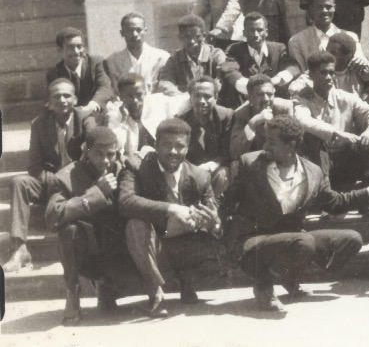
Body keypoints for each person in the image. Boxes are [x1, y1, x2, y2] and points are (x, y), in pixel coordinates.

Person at [220, 116, 369, 314]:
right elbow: (227, 201)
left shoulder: (313, 172)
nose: (265, 145)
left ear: (291, 145)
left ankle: (287, 276)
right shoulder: (251, 163)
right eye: (266, 139)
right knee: (303, 242)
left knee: (351, 239)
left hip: (292, 239)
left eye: (272, 141)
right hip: (253, 243)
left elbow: (335, 203)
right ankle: (264, 285)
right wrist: (222, 231)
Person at [119, 118, 223, 316]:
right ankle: (155, 291)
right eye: (167, 145)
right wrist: (171, 208)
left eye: (179, 146)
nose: (173, 151)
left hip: (186, 245)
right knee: (135, 224)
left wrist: (213, 224)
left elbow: (214, 218)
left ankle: (187, 281)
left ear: (187, 147)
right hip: (152, 246)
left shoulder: (200, 176)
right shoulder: (136, 166)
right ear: (155, 145)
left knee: (218, 239)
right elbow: (126, 202)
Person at [46, 126, 136, 323]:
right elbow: (53, 216)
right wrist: (96, 193)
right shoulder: (66, 176)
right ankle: (72, 293)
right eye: (98, 154)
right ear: (86, 151)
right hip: (87, 249)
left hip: (117, 248)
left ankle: (107, 287)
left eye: (110, 154)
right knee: (68, 232)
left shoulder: (124, 170)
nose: (105, 160)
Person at [5, 79, 86, 273]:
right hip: (49, 184)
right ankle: (20, 249)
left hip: (77, 185)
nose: (62, 100)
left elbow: (89, 161)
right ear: (48, 102)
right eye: (56, 96)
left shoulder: (84, 121)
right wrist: (55, 181)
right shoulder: (39, 124)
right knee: (19, 182)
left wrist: (66, 181)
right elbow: (34, 166)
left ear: (75, 99)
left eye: (67, 95)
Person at [293, 50, 369, 190]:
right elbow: (303, 120)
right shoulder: (303, 100)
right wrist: (336, 133)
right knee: (314, 137)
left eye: (332, 72)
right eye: (323, 73)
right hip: (320, 162)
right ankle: (325, 193)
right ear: (311, 75)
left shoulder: (345, 97)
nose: (329, 77)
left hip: (346, 159)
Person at [220, 11, 298, 106]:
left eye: (260, 30)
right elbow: (230, 71)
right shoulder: (235, 50)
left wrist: (278, 79)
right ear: (244, 33)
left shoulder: (278, 48)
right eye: (251, 30)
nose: (256, 35)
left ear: (266, 32)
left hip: (275, 103)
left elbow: (293, 67)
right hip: (247, 104)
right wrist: (252, 86)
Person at [288, 0, 369, 75]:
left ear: (334, 8)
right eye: (319, 7)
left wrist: (362, 60)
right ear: (311, 9)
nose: (324, 11)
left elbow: (361, 64)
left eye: (328, 6)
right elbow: (300, 72)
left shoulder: (350, 37)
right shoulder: (297, 42)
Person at [179, 77, 234, 200]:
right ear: (190, 97)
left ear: (215, 97)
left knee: (223, 174)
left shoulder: (226, 116)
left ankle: (219, 212)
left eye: (207, 96)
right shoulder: (182, 121)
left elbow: (227, 151)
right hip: (191, 172)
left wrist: (212, 165)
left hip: (216, 170)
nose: (201, 101)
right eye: (197, 96)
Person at [46, 27, 113, 120]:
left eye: (79, 46)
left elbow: (105, 87)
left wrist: (92, 105)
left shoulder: (96, 62)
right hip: (71, 117)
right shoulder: (55, 73)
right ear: (60, 50)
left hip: (96, 113)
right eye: (70, 47)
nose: (76, 51)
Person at [290, 32, 369, 100]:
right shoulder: (321, 69)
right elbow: (294, 86)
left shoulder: (357, 69)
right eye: (327, 49)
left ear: (347, 57)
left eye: (333, 52)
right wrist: (302, 90)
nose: (327, 54)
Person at [157, 14, 228, 96]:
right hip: (186, 103)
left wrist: (206, 94)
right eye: (187, 37)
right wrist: (185, 98)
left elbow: (223, 77)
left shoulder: (216, 54)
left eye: (197, 37)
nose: (192, 41)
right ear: (180, 38)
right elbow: (165, 83)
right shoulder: (174, 60)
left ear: (204, 36)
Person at [103, 11, 171, 96]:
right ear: (122, 33)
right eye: (129, 30)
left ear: (145, 31)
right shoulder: (113, 61)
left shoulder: (162, 58)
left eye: (138, 30)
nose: (134, 34)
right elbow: (115, 93)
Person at [230, 75, 294, 160]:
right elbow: (234, 153)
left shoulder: (284, 108)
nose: (266, 99)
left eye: (270, 94)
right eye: (260, 95)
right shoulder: (241, 113)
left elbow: (290, 144)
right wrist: (252, 124)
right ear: (249, 97)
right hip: (255, 162)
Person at [101, 73, 155, 162]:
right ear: (121, 97)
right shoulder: (115, 114)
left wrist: (153, 151)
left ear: (145, 93)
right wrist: (123, 121)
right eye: (129, 96)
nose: (135, 100)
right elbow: (113, 148)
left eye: (139, 95)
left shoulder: (156, 108)